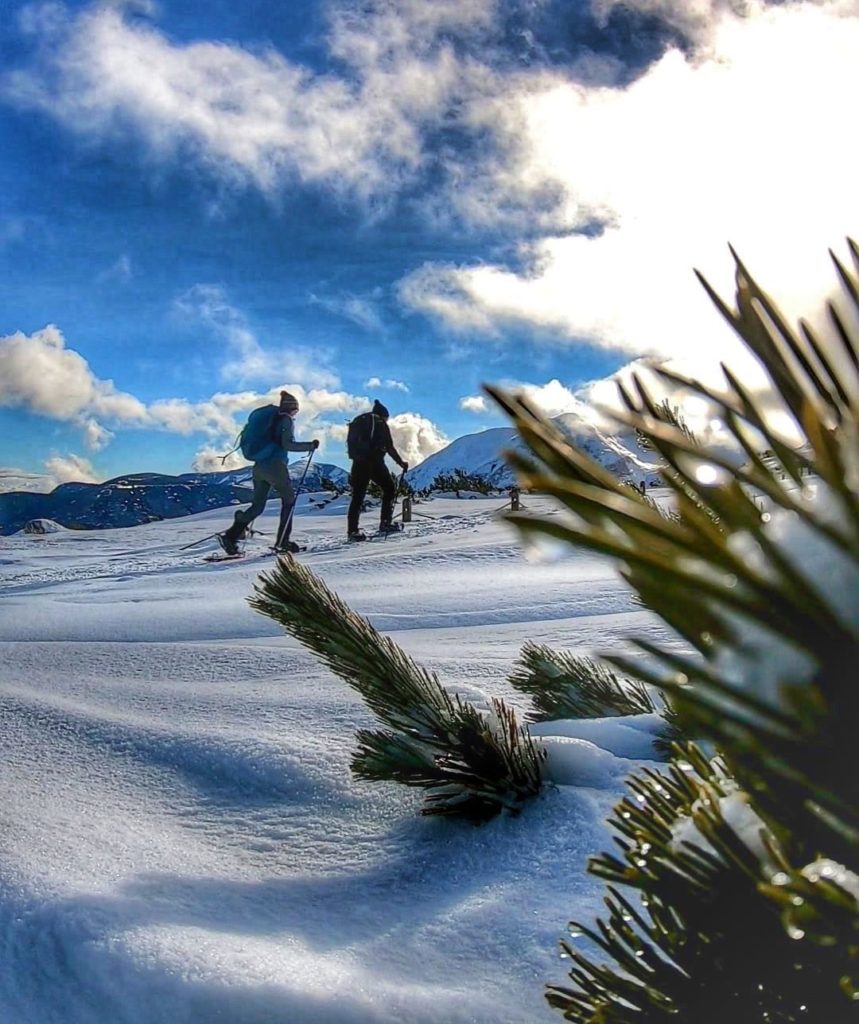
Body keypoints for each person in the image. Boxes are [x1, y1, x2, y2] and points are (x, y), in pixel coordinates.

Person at [218, 391, 319, 555]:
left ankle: (232, 534)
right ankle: (283, 541)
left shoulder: (269, 421)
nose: (295, 414)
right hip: (275, 466)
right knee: (289, 500)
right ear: (291, 408)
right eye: (296, 411)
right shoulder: (285, 420)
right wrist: (310, 445)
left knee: (257, 506)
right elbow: (288, 444)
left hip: (259, 466)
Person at [346, 399, 408, 541]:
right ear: (383, 415)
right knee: (389, 488)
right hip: (374, 462)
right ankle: (385, 523)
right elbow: (390, 447)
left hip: (358, 463)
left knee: (357, 497)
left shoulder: (360, 422)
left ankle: (352, 531)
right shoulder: (380, 423)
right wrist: (401, 463)